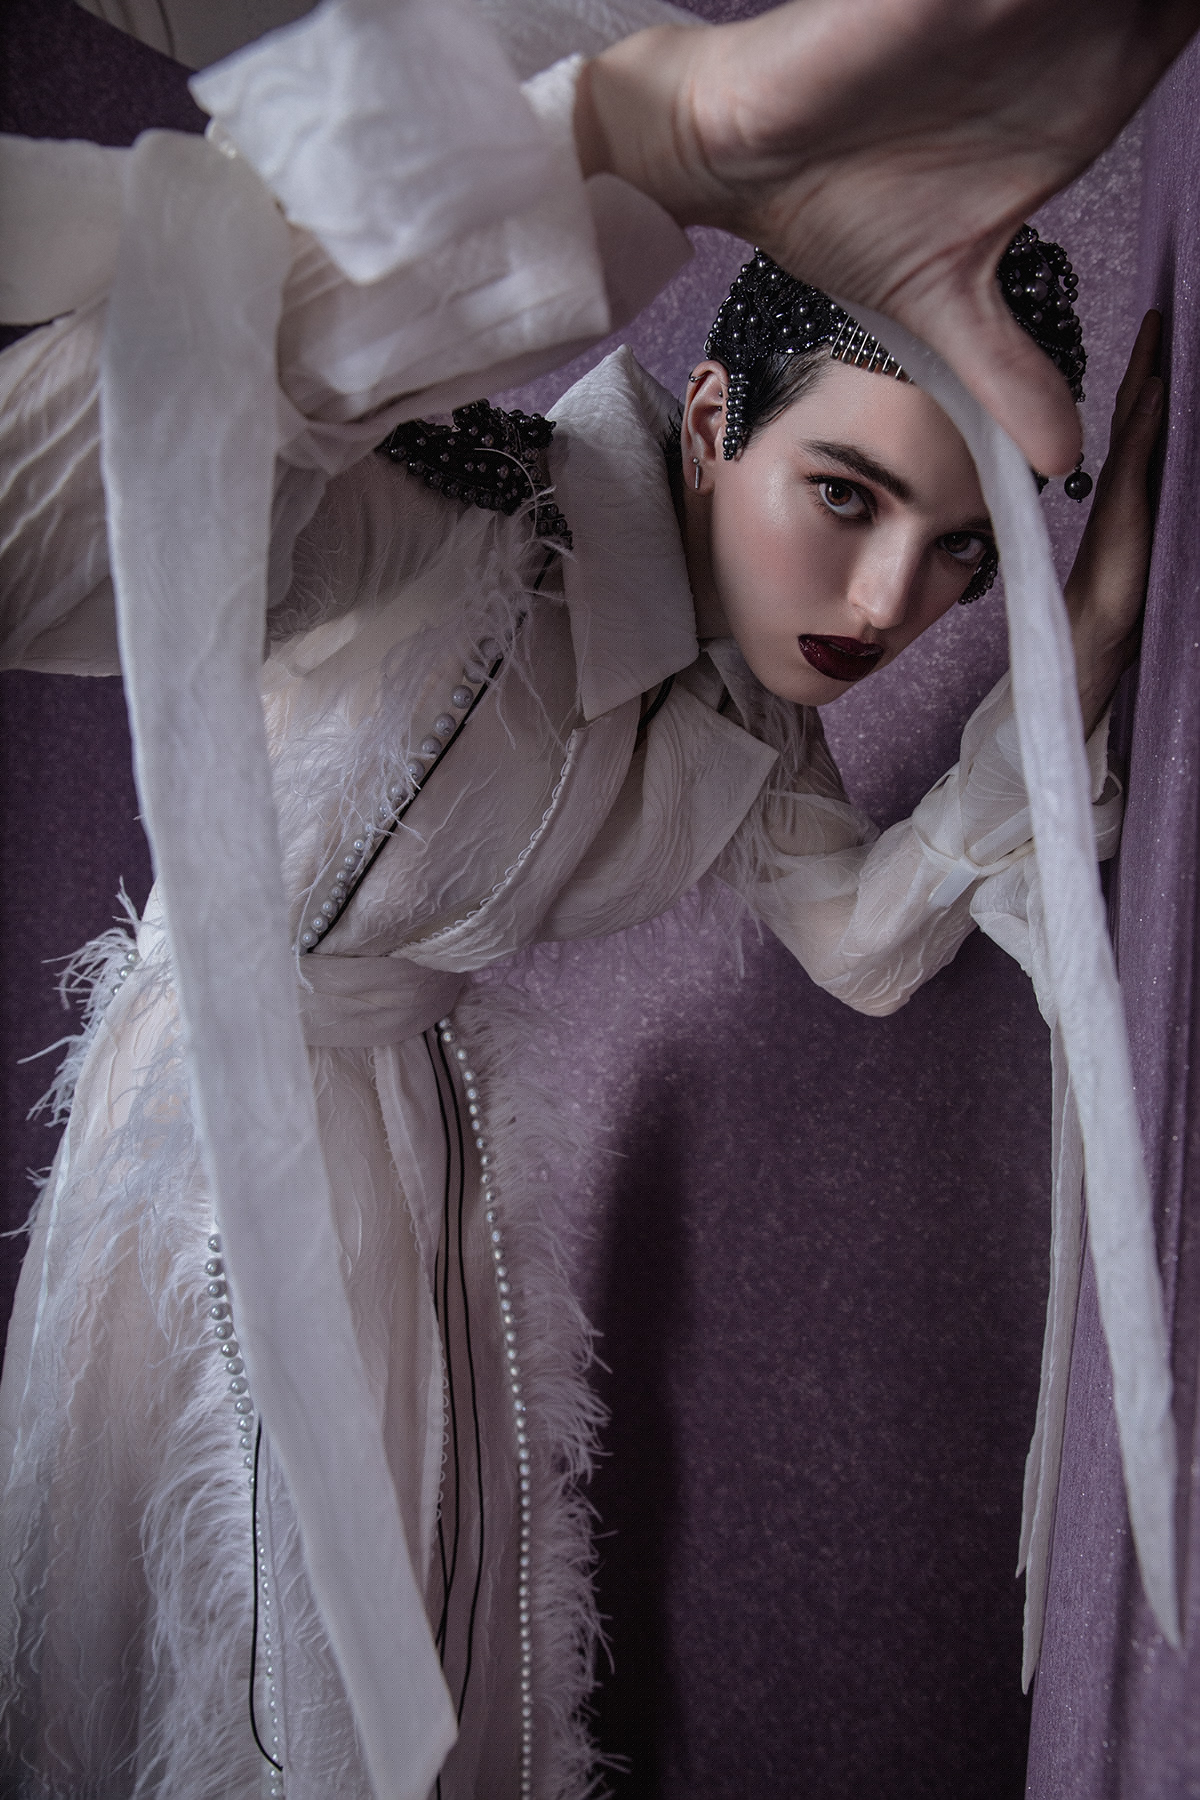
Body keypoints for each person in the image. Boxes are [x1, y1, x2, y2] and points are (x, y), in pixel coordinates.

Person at [0, 2, 1171, 1797]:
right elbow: (67, 533)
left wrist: (1075, 645)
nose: (886, 603)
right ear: (709, 421)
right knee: (225, 1669)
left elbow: (862, 945)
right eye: (842, 495)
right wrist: (639, 137)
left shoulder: (756, 725)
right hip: (221, 1133)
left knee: (434, 1651)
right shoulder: (459, 525)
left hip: (421, 1152)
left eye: (957, 553)